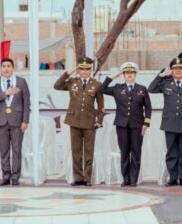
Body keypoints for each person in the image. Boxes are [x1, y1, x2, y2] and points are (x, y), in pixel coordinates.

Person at [148, 57, 182, 187]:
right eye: (175, 69)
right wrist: (161, 75)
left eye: (180, 69)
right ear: (171, 70)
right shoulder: (165, 83)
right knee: (171, 152)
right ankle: (172, 178)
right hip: (169, 123)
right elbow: (151, 88)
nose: (178, 71)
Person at [54, 57, 104, 187]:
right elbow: (57, 86)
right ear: (79, 70)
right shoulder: (72, 82)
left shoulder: (97, 85)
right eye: (82, 69)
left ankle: (87, 178)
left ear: (91, 70)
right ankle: (78, 177)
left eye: (87, 69)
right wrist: (68, 72)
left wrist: (99, 121)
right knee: (76, 151)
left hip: (89, 122)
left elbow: (101, 106)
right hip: (74, 121)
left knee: (88, 151)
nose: (85, 72)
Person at [101, 62, 151, 187]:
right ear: (123, 75)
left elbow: (148, 107)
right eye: (127, 73)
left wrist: (146, 123)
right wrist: (112, 76)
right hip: (122, 125)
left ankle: (133, 179)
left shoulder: (142, 89)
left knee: (135, 152)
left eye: (132, 73)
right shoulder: (118, 88)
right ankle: (126, 179)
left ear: (135, 74)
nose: (129, 75)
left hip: (137, 125)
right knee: (124, 152)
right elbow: (102, 89)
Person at [0, 58, 30, 186]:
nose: (6, 69)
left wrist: (25, 120)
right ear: (1, 69)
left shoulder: (21, 82)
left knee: (17, 150)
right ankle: (6, 176)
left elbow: (26, 102)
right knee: (4, 150)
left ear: (13, 68)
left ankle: (15, 177)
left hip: (17, 121)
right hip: (1, 120)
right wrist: (6, 93)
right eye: (3, 66)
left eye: (8, 66)